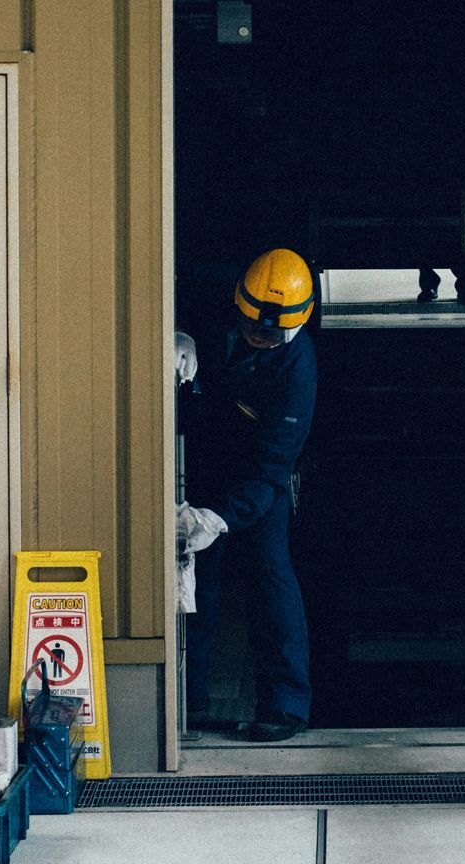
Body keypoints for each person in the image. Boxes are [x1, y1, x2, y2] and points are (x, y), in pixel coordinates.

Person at [175, 247, 319, 743]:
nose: (258, 337)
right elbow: (161, 291)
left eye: (270, 335)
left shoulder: (298, 372)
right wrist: (179, 332)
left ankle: (286, 704)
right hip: (203, 451)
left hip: (259, 474)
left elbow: (271, 469)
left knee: (269, 576)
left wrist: (217, 519)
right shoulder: (209, 284)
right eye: (251, 325)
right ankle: (185, 701)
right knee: (193, 582)